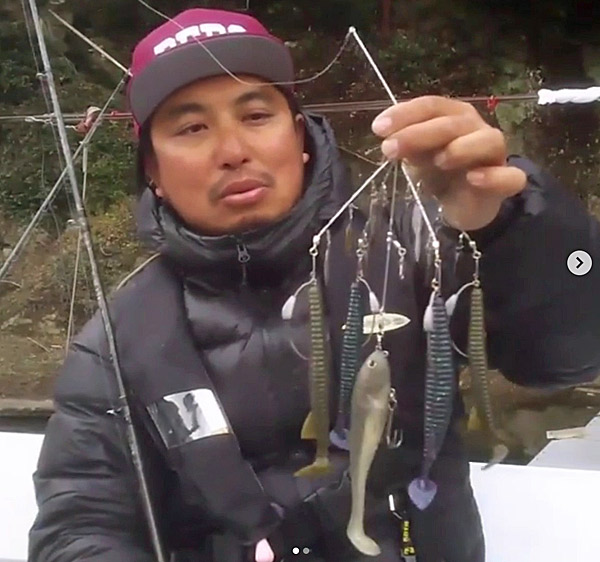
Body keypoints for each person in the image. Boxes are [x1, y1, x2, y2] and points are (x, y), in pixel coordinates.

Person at [28, 7, 600, 562]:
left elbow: (569, 356)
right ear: (152, 169)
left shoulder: (418, 249)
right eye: (192, 127)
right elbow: (78, 524)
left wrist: (511, 225)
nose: (233, 152)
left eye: (256, 116)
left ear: (300, 135)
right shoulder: (114, 344)